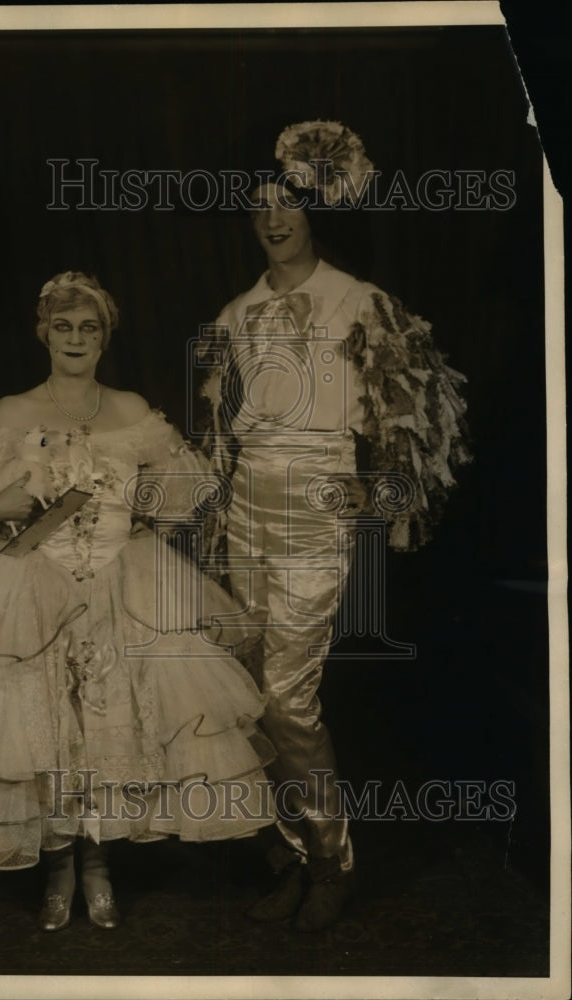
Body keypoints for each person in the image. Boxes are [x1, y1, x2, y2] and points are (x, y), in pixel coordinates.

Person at [0, 271, 276, 933]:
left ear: (106, 338)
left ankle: (99, 864)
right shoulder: (13, 413)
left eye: (88, 328)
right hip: (25, 587)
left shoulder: (131, 410)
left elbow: (186, 491)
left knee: (107, 728)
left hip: (120, 584)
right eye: (62, 326)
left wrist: (139, 525)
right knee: (41, 729)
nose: (75, 338)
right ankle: (57, 867)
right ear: (42, 333)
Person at [201, 120, 471, 931]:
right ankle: (290, 854)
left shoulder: (360, 302)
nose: (272, 219)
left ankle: (331, 861)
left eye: (284, 204)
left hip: (316, 511)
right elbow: (218, 438)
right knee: (250, 696)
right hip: (247, 508)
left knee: (290, 697)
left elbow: (425, 423)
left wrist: (376, 498)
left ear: (311, 210)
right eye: (257, 208)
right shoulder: (235, 314)